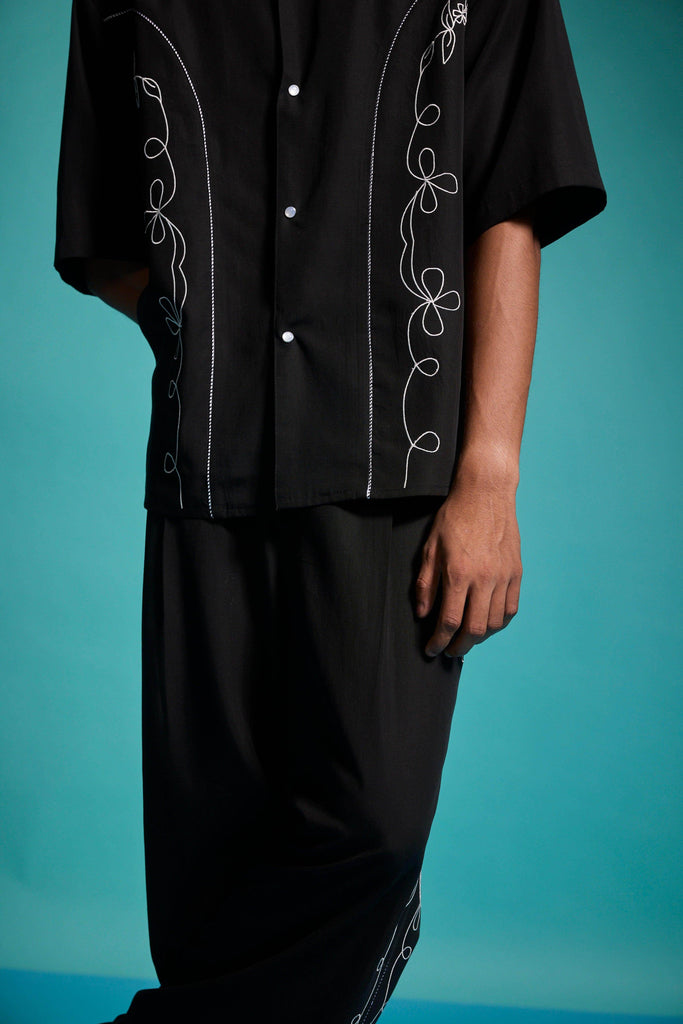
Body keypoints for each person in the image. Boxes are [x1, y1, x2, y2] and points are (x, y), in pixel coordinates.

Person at [53, 1, 607, 1020]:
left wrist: (489, 476)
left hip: (391, 462)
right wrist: (209, 330)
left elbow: (512, 196)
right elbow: (104, 231)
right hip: (206, 469)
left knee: (374, 827)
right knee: (207, 862)